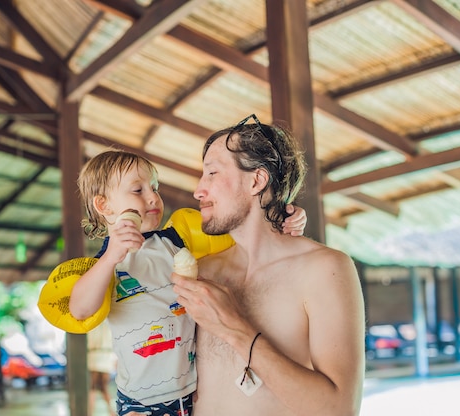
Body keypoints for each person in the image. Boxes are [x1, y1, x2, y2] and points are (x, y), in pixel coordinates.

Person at [69, 150, 307, 416]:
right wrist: (112, 256)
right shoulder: (107, 264)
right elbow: (80, 310)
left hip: (193, 393)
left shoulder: (175, 241)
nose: (153, 197)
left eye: (154, 188)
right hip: (141, 402)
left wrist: (283, 221)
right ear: (104, 206)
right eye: (138, 190)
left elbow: (244, 239)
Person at [172, 114, 366, 415]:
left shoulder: (324, 270)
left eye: (211, 173)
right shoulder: (203, 271)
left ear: (256, 180)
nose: (198, 190)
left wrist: (235, 328)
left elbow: (340, 409)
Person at [88, 320, 118, 416]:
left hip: (93, 357)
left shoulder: (90, 324)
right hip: (106, 357)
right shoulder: (109, 324)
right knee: (104, 387)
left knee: (93, 387)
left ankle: (90, 412)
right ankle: (111, 411)